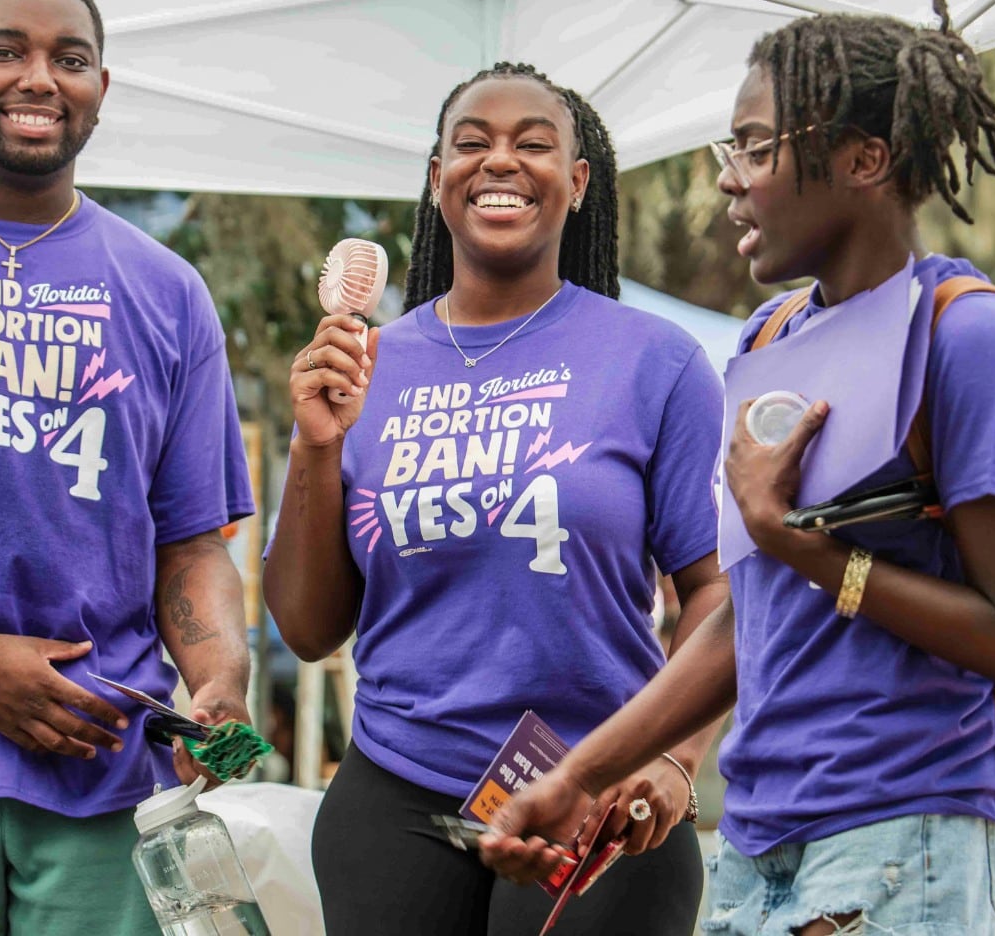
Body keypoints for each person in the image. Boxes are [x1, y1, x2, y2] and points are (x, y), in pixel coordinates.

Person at [481, 4, 995, 935]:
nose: (728, 178)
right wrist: (579, 777)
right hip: (757, 846)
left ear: (864, 160)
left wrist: (801, 548)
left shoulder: (960, 334)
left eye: (757, 148)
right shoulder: (766, 338)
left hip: (898, 837)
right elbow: (740, 629)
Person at [264, 61, 730, 935]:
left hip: (598, 792)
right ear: (437, 180)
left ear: (579, 180)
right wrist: (315, 446)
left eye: (534, 144)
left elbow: (717, 588)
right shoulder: (366, 367)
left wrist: (670, 757)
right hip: (395, 791)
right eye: (470, 144)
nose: (500, 162)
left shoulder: (654, 361)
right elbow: (307, 628)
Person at [0, 0, 256, 935]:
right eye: (4, 51)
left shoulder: (165, 291)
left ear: (101, 92)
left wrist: (222, 687)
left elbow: (192, 543)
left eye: (70, 59)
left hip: (106, 783)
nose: (38, 78)